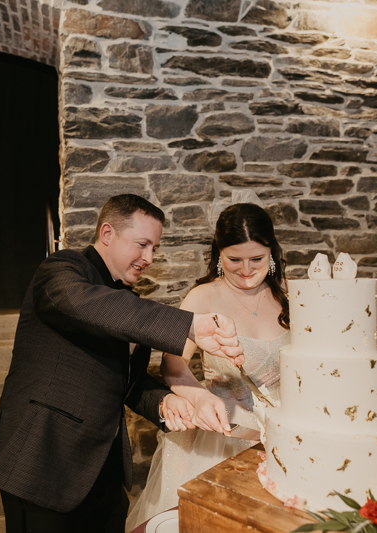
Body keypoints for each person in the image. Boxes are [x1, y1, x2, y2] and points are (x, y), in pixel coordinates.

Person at [0, 194, 244, 533]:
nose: (149, 258)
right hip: (45, 461)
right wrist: (189, 325)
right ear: (107, 233)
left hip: (104, 475)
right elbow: (85, 306)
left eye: (155, 249)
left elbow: (129, 384)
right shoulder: (61, 270)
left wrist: (167, 403)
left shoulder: (126, 305)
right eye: (142, 244)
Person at [126, 201, 291, 531]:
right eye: (234, 260)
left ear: (271, 252)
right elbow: (173, 368)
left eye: (257, 259)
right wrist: (200, 398)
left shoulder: (288, 295)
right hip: (222, 432)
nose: (245, 270)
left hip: (281, 434)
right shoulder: (203, 298)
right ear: (219, 255)